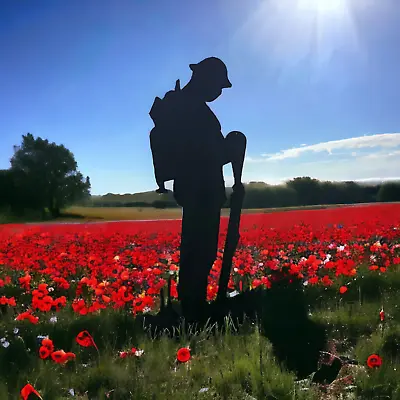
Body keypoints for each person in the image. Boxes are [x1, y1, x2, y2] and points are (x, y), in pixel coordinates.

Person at [150, 57, 245, 322]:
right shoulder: (193, 110)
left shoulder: (188, 106)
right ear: (207, 79)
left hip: (196, 188)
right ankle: (193, 309)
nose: (219, 92)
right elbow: (205, 153)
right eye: (219, 86)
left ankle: (194, 304)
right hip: (200, 188)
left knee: (198, 250)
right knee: (199, 251)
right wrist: (233, 148)